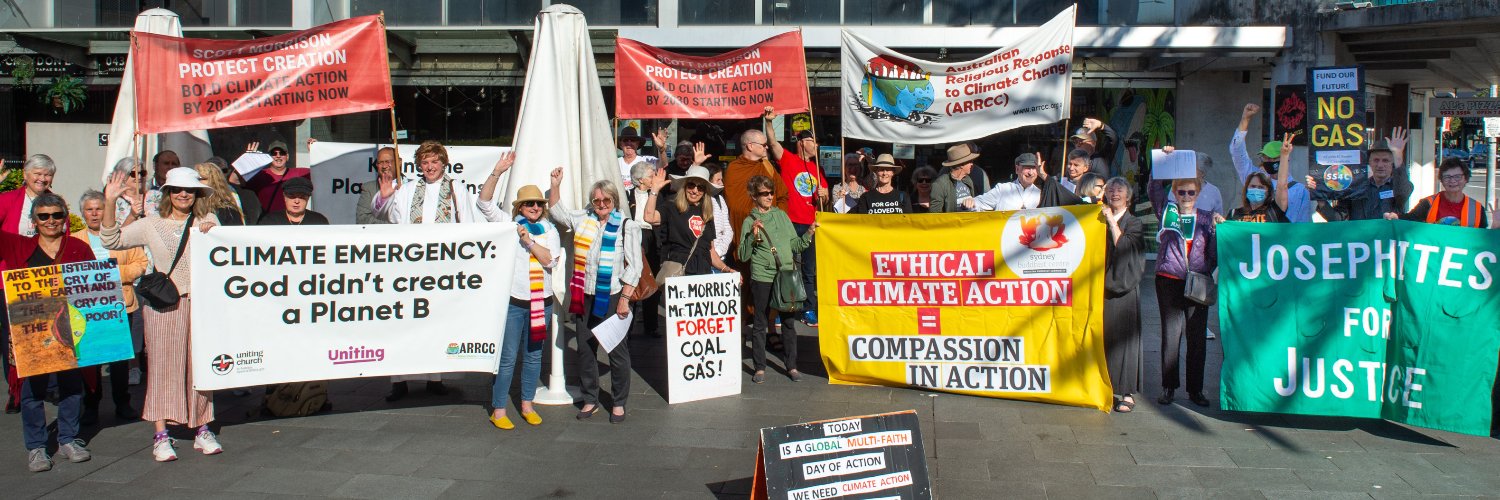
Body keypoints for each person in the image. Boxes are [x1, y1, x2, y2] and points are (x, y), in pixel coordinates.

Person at [102, 166, 224, 462]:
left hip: (200, 303)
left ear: (197, 194)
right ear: (168, 193)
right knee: (162, 367)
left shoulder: (208, 220)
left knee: (199, 367)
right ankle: (161, 434)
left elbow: (227, 253)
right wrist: (109, 202)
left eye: (190, 190)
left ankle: (202, 427)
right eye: (178, 189)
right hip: (163, 305)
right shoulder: (151, 224)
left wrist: (214, 232)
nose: (184, 194)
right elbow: (111, 240)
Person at [372, 140, 478, 400]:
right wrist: (385, 196)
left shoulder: (457, 189)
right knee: (405, 321)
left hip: (443, 266)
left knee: (438, 321)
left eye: (434, 161)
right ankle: (399, 380)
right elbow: (388, 216)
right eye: (425, 162)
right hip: (411, 266)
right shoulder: (408, 189)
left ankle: (435, 377)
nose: (430, 167)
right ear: (419, 165)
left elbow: (468, 225)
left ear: (443, 163)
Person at [547, 168, 643, 424]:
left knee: (616, 351)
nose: (601, 205)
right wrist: (555, 185)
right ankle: (591, 398)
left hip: (611, 295)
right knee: (585, 349)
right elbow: (559, 214)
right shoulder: (584, 218)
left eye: (606, 201)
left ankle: (619, 401)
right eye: (597, 201)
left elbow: (635, 266)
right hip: (584, 293)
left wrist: (625, 298)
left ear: (614, 201)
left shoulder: (627, 225)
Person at [9, 194, 96, 471]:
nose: (51, 221)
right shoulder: (21, 247)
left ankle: (68, 438)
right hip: (32, 333)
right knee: (32, 391)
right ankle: (36, 447)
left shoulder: (79, 248)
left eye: (56, 215)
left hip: (70, 329)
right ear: (34, 221)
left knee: (72, 386)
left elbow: (94, 288)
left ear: (65, 218)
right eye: (44, 216)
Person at [477, 152, 559, 430]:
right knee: (508, 356)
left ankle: (527, 404)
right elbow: (484, 202)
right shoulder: (508, 223)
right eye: (529, 204)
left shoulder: (549, 229)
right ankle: (498, 409)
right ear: (520, 208)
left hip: (540, 301)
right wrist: (497, 171)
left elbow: (550, 259)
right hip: (513, 301)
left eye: (538, 203)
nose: (534, 207)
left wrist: (529, 242)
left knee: (534, 355)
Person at [74, 190, 150, 424]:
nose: (95, 213)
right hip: (87, 309)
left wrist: (114, 275)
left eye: (100, 208)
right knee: (90, 361)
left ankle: (122, 402)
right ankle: (91, 405)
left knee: (119, 361)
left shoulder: (123, 236)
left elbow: (141, 263)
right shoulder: (75, 239)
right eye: (90, 209)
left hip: (120, 305)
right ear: (83, 213)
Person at [1146, 175, 1218, 407]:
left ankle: (1195, 389)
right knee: (1171, 334)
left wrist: (1205, 270)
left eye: (1191, 193)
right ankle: (1169, 386)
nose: (1186, 197)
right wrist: (1161, 163)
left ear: (1198, 194)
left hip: (1197, 281)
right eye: (1182, 192)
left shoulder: (1207, 219)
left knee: (1197, 338)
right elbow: (1154, 188)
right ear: (1175, 193)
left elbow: (1214, 252)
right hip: (1169, 279)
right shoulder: (1167, 213)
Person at [737, 175, 816, 383]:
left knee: (789, 322)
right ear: (754, 196)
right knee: (761, 322)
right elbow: (743, 255)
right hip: (762, 276)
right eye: (764, 193)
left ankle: (791, 366)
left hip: (786, 274)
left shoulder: (781, 216)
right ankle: (759, 367)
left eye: (771, 192)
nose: (769, 196)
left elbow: (795, 245)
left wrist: (808, 233)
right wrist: (752, 238)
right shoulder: (749, 220)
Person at [765, 113, 828, 327]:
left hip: (811, 224)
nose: (817, 145)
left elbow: (825, 199)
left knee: (809, 269)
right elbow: (772, 142)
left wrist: (823, 195)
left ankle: (809, 309)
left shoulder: (817, 167)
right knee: (786, 267)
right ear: (802, 143)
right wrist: (769, 121)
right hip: (789, 222)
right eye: (813, 141)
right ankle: (783, 308)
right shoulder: (789, 160)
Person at [643, 166, 736, 277]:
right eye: (691, 185)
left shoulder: (707, 214)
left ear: (705, 191)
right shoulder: (672, 206)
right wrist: (654, 190)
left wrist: (726, 269)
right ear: (685, 186)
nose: (695, 191)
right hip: (678, 273)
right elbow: (649, 217)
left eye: (700, 187)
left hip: (702, 274)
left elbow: (710, 251)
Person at [1101, 177, 1144, 413]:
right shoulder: (1097, 217)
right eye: (1110, 190)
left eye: (1119, 190)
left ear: (1128, 196)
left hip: (1125, 285)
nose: (1114, 193)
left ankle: (1126, 392)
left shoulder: (1134, 222)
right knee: (1105, 337)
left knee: (1125, 340)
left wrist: (1110, 221)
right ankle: (1105, 384)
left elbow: (1124, 246)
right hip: (1101, 285)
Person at [1231, 104, 1315, 222]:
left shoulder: (1300, 190)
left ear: (1285, 159)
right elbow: (1237, 151)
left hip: (1283, 239)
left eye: (1272, 159)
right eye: (1265, 158)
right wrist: (1245, 119)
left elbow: (1303, 223)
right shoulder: (1253, 177)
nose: (1268, 162)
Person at [1307, 135, 1413, 221]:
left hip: (1388, 244)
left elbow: (1402, 192)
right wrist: (1320, 197)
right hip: (1362, 245)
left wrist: (1398, 155)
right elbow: (1337, 219)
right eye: (1376, 160)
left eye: (1385, 160)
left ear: (1392, 163)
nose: (1380, 165)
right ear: (1369, 163)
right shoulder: (1355, 187)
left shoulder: (1399, 187)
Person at [725, 129, 788, 257]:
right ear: (750, 146)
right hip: (745, 227)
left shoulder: (767, 166)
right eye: (763, 145)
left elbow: (783, 195)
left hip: (770, 229)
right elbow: (734, 204)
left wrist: (775, 218)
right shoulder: (734, 168)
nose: (766, 148)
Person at [969, 153, 1082, 211]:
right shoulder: (1003, 189)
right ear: (1017, 169)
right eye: (1027, 168)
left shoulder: (1042, 193)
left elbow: (1066, 200)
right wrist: (970, 202)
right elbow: (979, 202)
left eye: (1034, 169)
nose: (1031, 173)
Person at [1395, 158, 1489, 228]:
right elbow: (1409, 220)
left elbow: (1484, 241)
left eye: (1457, 176)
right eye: (1447, 177)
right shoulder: (1428, 203)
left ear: (1466, 179)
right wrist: (1395, 217)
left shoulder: (1477, 208)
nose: (1452, 181)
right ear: (1442, 180)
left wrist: (1496, 227)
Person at [1228, 133, 1294, 223]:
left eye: (1261, 187)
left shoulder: (1274, 211)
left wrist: (1284, 156)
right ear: (1246, 189)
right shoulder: (1234, 214)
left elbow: (1282, 185)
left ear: (1268, 192)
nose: (1256, 190)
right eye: (1253, 186)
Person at [241, 140, 311, 215]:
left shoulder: (300, 173)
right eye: (274, 153)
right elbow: (234, 182)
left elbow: (322, 173)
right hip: (268, 221)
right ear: (268, 157)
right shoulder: (259, 175)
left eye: (282, 153)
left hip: (292, 222)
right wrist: (246, 160)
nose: (278, 156)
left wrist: (315, 151)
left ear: (287, 157)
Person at [0, 154, 57, 236]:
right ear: (25, 174)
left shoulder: (57, 204)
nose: (42, 179)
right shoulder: (7, 200)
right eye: (38, 174)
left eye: (48, 175)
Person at [206, 157, 261, 225]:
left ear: (228, 172)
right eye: (214, 172)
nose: (219, 175)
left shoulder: (247, 195)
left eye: (224, 170)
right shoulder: (200, 195)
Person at [356, 147, 401, 225]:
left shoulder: (411, 186)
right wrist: (393, 227)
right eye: (380, 162)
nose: (384, 166)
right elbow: (362, 219)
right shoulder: (369, 188)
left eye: (388, 161)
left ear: (399, 162)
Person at [258, 177, 329, 225]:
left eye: (302, 197)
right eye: (292, 196)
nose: (297, 201)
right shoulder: (270, 221)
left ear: (308, 198)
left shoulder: (319, 221)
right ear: (284, 197)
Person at [929, 144, 978, 213]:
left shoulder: (968, 180)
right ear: (961, 164)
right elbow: (935, 215)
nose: (972, 164)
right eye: (970, 161)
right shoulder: (939, 185)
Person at [706, 163, 733, 264]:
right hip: (704, 258)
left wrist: (719, 251)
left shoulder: (720, 199)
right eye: (718, 180)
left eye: (722, 179)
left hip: (720, 258)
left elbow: (728, 230)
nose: (722, 183)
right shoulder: (700, 201)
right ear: (708, 181)